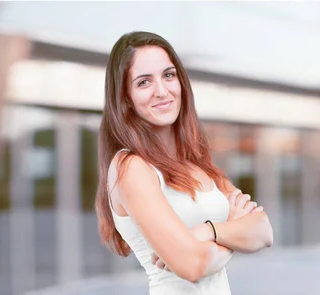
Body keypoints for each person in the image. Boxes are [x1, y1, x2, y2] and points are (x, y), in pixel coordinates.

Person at [95, 31, 273, 295]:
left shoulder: (198, 165)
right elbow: (192, 265)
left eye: (168, 75)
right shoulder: (131, 168)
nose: (161, 91)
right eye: (144, 82)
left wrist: (208, 231)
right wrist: (233, 230)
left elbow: (263, 231)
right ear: (125, 100)